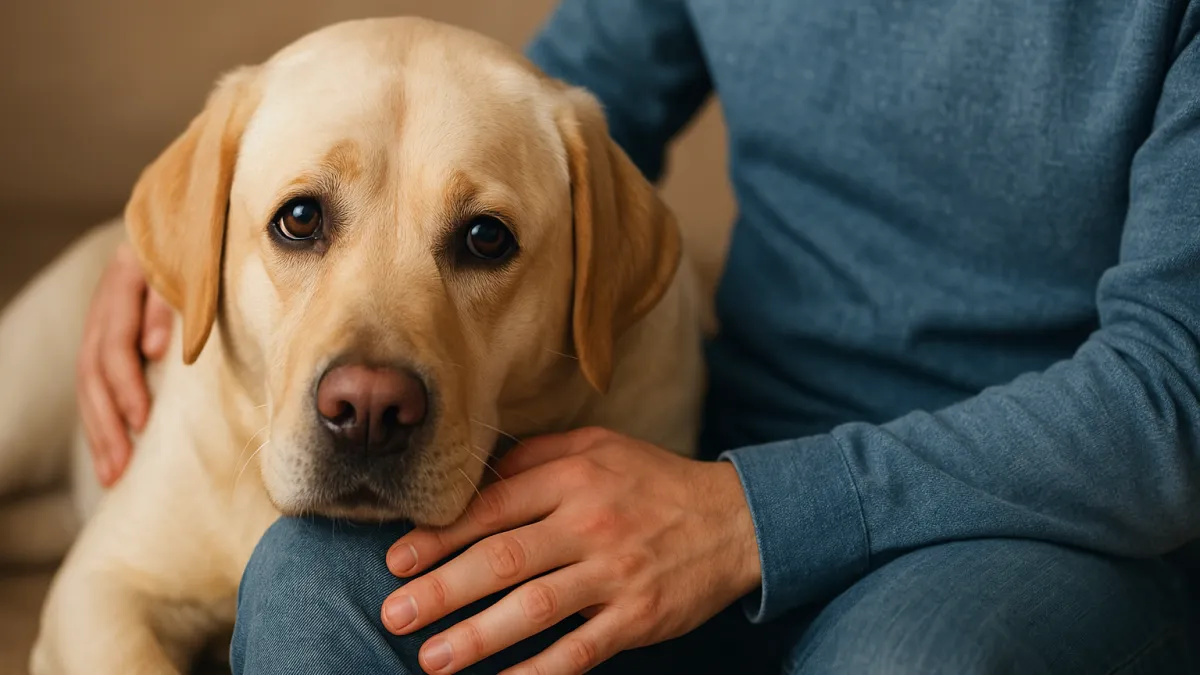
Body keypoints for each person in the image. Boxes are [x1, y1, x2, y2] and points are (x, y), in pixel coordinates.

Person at [78, 0, 1200, 673]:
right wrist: (210, 213)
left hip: (1024, 522)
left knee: (910, 664)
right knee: (312, 584)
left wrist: (748, 518)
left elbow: (1171, 401)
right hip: (711, 450)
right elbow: (558, 108)